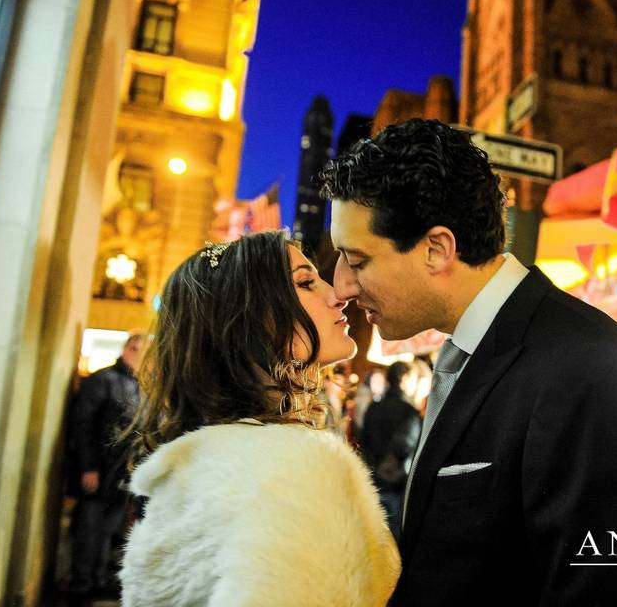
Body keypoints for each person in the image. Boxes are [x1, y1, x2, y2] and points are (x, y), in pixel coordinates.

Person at [319, 119, 617, 605]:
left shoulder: (592, 368)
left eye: (358, 260)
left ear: (437, 249)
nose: (340, 284)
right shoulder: (465, 352)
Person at [118, 232, 399, 606]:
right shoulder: (292, 467)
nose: (337, 294)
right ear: (251, 322)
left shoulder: (208, 460)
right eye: (305, 282)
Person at [68, 331, 146, 602]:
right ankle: (81, 584)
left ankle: (97, 579)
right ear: (125, 348)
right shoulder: (103, 380)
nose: (136, 353)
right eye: (133, 347)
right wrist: (88, 467)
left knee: (106, 531)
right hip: (99, 469)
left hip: (122, 474)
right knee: (89, 528)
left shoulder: (140, 387)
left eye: (142, 349)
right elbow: (83, 425)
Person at [360, 361, 423, 538]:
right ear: (404, 378)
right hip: (397, 484)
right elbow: (405, 447)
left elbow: (363, 440)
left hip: (373, 480)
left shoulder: (373, 408)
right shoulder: (409, 411)